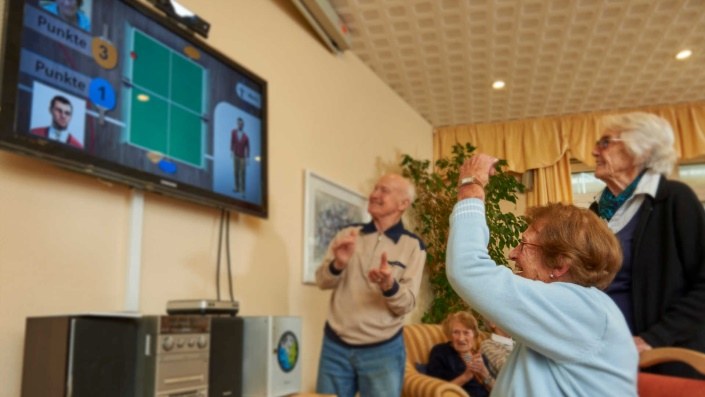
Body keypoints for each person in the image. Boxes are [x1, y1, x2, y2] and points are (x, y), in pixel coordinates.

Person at [446, 153, 638, 396]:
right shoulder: (572, 309)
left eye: (524, 245)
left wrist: (470, 187)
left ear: (559, 265)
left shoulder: (580, 309)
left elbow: (468, 269)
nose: (512, 254)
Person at [590, 111, 705, 379]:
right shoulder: (596, 213)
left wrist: (652, 339)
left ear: (640, 151)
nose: (594, 151)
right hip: (607, 360)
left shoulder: (674, 200)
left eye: (605, 142)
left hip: (665, 359)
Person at [315, 173, 426, 397]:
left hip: (383, 351)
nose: (374, 194)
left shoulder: (413, 246)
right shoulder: (348, 234)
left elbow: (406, 304)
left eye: (384, 190)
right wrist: (338, 264)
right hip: (335, 346)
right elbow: (322, 280)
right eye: (375, 188)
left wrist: (389, 286)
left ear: (403, 203)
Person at [426, 311, 493, 397]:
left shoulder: (479, 357)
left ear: (474, 335)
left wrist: (484, 374)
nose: (461, 338)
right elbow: (434, 390)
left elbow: (498, 391)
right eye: (456, 332)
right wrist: (465, 377)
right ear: (450, 335)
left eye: (466, 333)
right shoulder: (441, 352)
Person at [230, 117, 249, 193]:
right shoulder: (233, 132)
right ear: (237, 124)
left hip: (242, 157)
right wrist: (231, 151)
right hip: (235, 155)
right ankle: (236, 187)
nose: (240, 125)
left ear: (243, 125)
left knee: (242, 173)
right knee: (235, 172)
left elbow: (248, 147)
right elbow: (232, 141)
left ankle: (242, 189)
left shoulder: (246, 137)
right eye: (238, 123)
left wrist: (247, 158)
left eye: (241, 124)